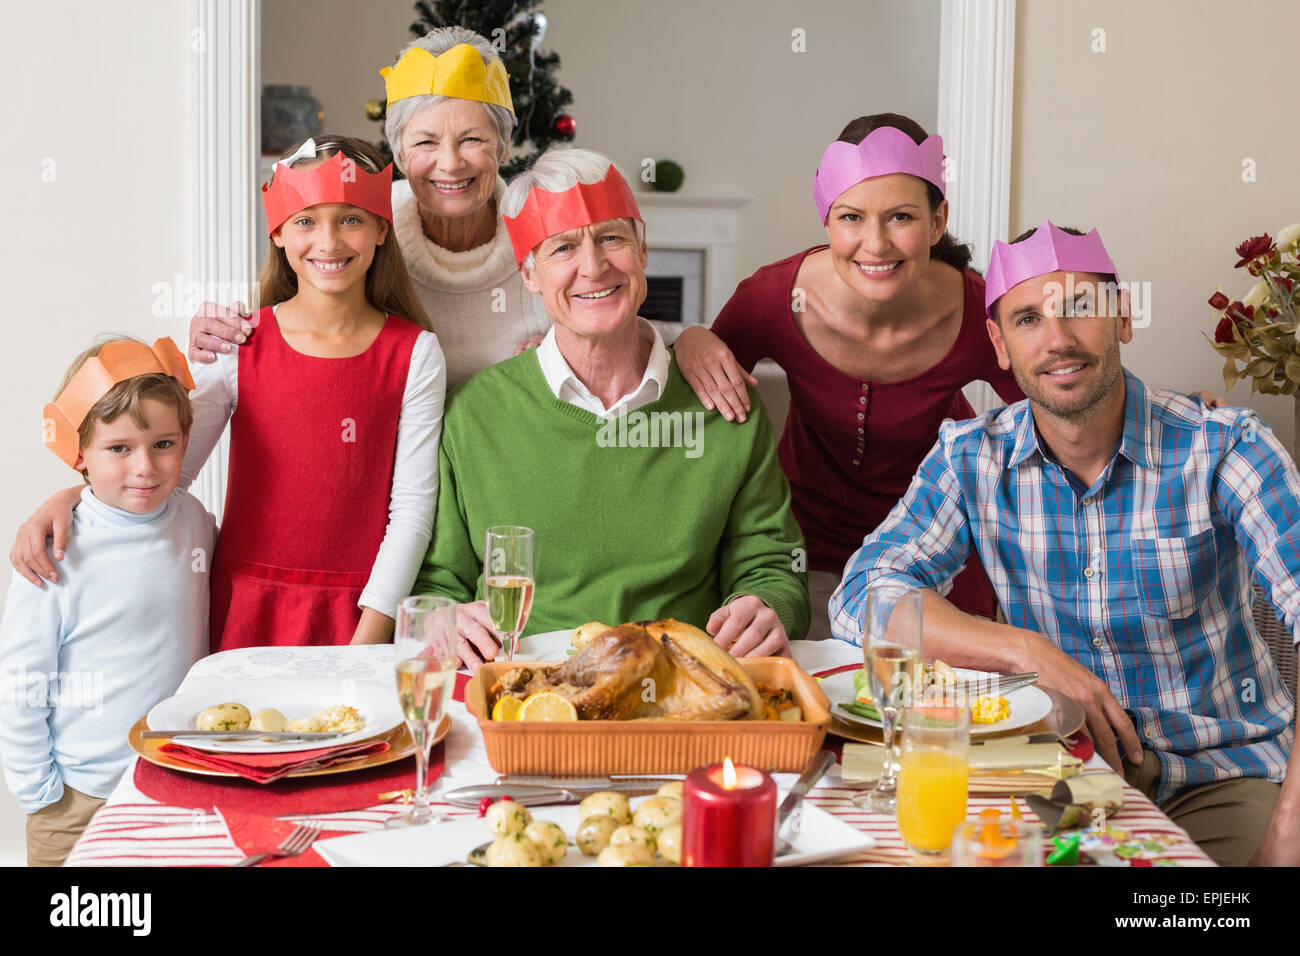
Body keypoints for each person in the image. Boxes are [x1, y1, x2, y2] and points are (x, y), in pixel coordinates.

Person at [830, 221, 1299, 866]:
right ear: (999, 344)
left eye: (1080, 308)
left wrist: (1286, 839)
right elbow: (863, 596)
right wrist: (1024, 649)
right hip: (1058, 773)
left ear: (1122, 319)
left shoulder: (1225, 447)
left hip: (1221, 775)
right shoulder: (971, 458)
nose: (1057, 340)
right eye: (1027, 319)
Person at [7, 27, 538, 594]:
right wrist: (81, 496)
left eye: (473, 140)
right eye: (426, 141)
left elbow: (615, 352)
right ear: (400, 154)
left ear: (504, 147)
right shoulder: (354, 224)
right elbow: (179, 446)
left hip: (486, 531)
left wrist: (550, 377)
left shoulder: (550, 248)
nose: (449, 163)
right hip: (376, 567)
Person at [417, 146, 810, 670]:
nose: (594, 266)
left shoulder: (724, 405)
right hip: (531, 698)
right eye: (562, 249)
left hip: (683, 692)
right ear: (530, 274)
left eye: (611, 238)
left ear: (642, 250)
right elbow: (438, 582)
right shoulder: (475, 416)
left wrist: (767, 606)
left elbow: (774, 564)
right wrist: (446, 616)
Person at [673, 115, 1025, 637]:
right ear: (827, 222)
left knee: (933, 712)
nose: (875, 243)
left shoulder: (979, 310)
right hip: (806, 549)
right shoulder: (774, 297)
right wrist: (688, 339)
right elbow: (696, 416)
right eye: (852, 217)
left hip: (934, 556)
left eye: (901, 217)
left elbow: (1053, 413)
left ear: (936, 221)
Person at [0, 338, 214, 866]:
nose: (144, 466)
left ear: (185, 441)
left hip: (173, 784)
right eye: (119, 448)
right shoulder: (54, 552)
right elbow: (22, 681)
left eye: (163, 444)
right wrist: (40, 793)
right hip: (78, 801)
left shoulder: (194, 521)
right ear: (79, 453)